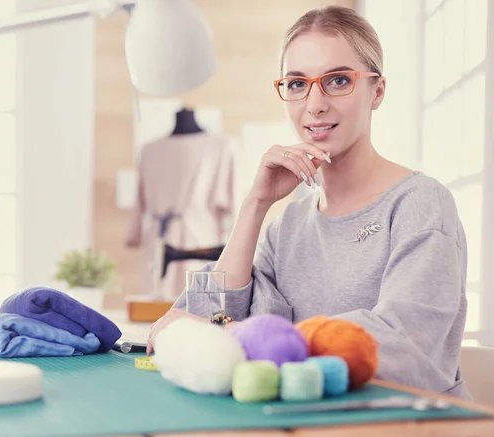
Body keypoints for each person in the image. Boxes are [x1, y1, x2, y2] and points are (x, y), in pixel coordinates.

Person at [146, 5, 470, 399]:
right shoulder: (289, 225)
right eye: (297, 84)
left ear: (377, 91)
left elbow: (404, 344)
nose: (314, 104)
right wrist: (255, 204)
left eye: (337, 80)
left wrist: (249, 339)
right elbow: (202, 326)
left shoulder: (421, 204)